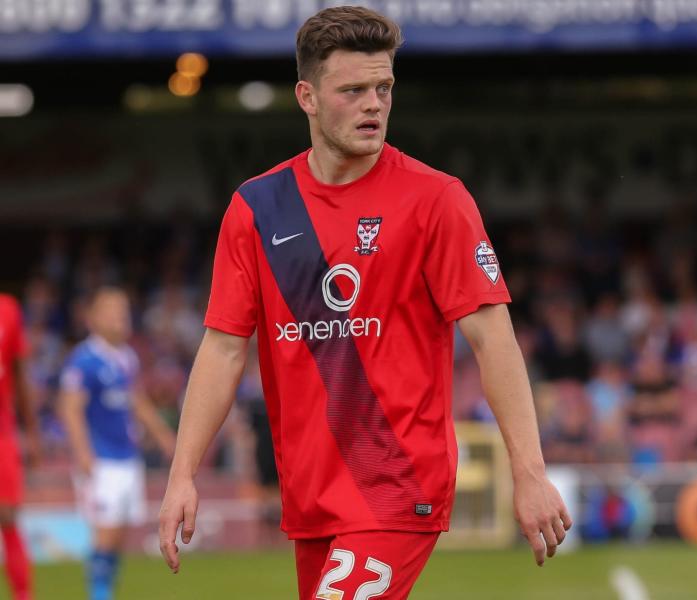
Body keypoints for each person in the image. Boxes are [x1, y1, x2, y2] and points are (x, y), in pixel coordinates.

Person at [157, 6, 572, 600]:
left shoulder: (436, 201)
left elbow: (494, 340)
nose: (374, 104)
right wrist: (182, 476)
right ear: (307, 96)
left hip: (397, 481)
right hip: (311, 494)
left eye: (383, 88)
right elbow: (223, 350)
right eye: (353, 90)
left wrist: (530, 475)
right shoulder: (256, 209)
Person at [59, 287, 176, 600]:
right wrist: (83, 452)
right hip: (102, 459)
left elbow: (136, 399)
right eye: (111, 310)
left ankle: (105, 589)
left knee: (120, 533)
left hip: (127, 456)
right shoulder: (84, 359)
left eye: (123, 310)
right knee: (106, 532)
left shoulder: (126, 357)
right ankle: (98, 593)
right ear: (93, 317)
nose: (120, 316)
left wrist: (163, 434)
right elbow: (70, 408)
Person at [0, 293, 40, 600]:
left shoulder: (8, 309)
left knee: (7, 516)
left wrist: (32, 431)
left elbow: (20, 375)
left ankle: (22, 595)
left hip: (3, 433)